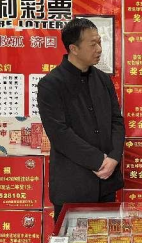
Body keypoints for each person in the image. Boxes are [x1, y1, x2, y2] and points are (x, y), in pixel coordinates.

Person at [38, 18, 125, 222]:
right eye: (93, 44)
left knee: (107, 237)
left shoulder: (103, 80)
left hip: (106, 183)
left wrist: (113, 158)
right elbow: (59, 133)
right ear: (74, 49)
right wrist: (98, 161)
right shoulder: (51, 84)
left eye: (99, 42)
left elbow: (116, 121)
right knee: (70, 240)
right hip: (73, 185)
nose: (99, 49)